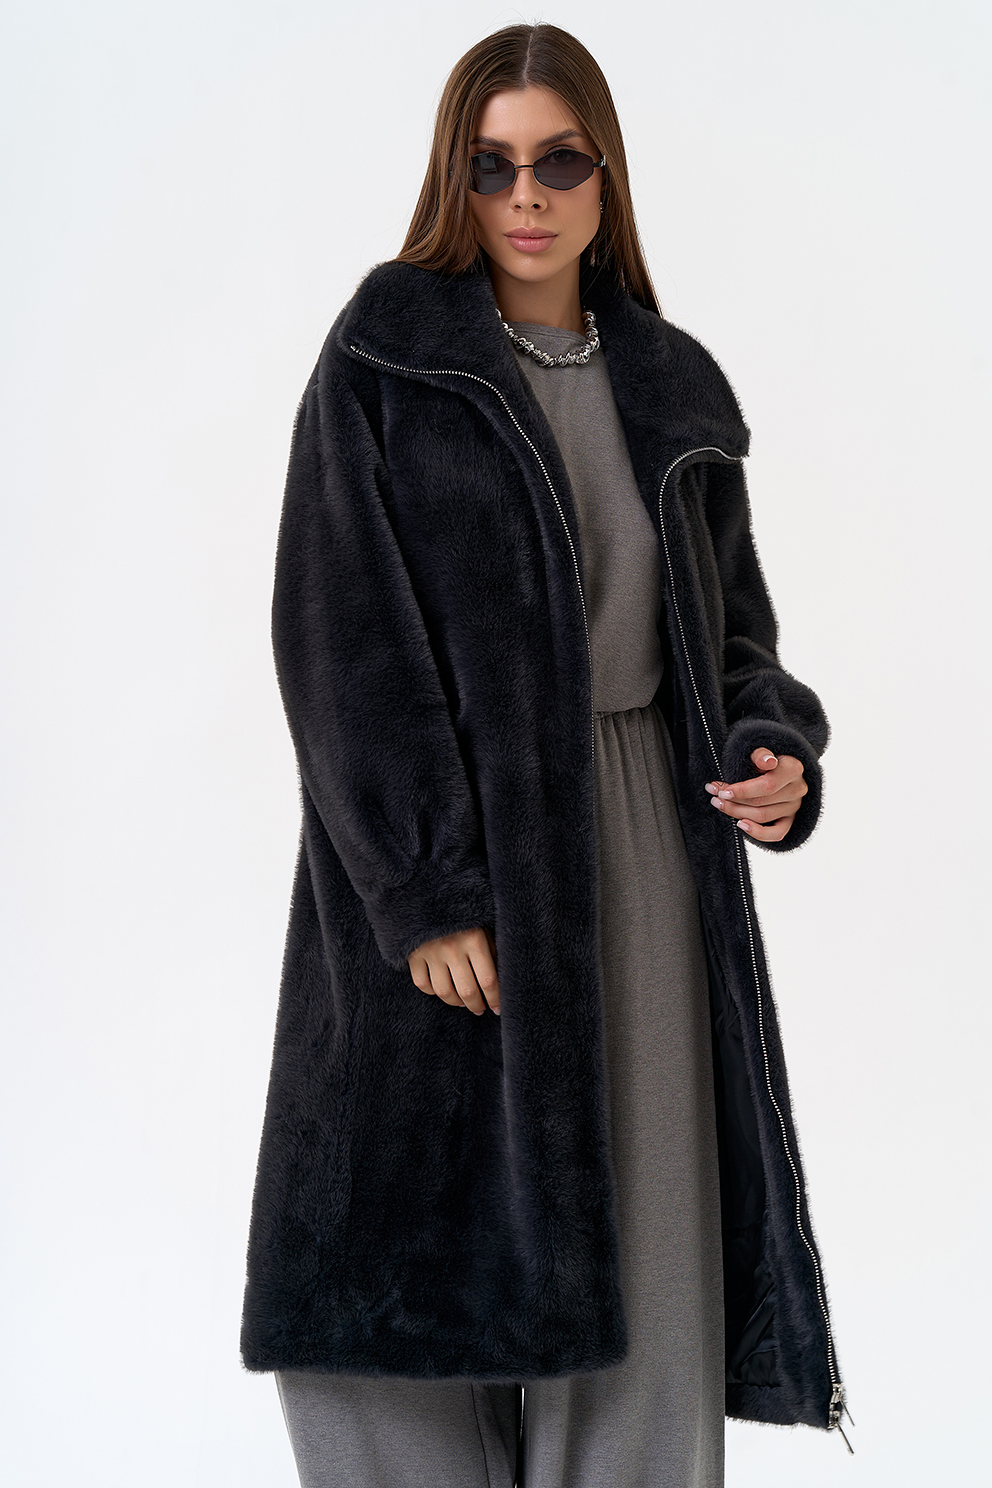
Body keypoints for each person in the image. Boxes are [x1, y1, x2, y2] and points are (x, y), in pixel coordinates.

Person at [240, 22, 851, 1488]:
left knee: (640, 1267)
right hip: (451, 852)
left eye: (559, 161)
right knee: (395, 1276)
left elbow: (733, 638)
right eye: (494, 162)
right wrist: (426, 889)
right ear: (455, 177)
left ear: (605, 176)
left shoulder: (673, 384)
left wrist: (773, 746)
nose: (527, 193)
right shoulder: (389, 355)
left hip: (642, 850)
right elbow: (338, 636)